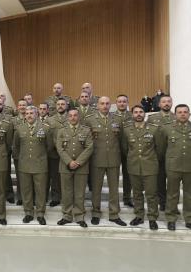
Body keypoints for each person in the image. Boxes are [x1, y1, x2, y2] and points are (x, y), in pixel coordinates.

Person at [158, 104, 191, 232]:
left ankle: (190, 220)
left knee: (189, 195)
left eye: (185, 112)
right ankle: (171, 219)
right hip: (173, 166)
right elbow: (161, 148)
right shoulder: (166, 128)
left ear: (189, 114)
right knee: (172, 194)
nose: (182, 114)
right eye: (180, 112)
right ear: (175, 114)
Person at [83, 97, 126, 226]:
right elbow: (86, 140)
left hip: (113, 158)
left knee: (114, 189)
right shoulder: (90, 119)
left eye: (107, 103)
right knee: (96, 189)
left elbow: (122, 139)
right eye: (102, 103)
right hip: (96, 158)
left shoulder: (117, 119)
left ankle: (114, 214)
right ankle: (96, 213)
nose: (105, 106)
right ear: (97, 106)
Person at [121, 105, 160, 230]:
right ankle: (139, 215)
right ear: (132, 114)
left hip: (150, 166)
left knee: (151, 194)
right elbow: (125, 148)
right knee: (137, 193)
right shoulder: (126, 129)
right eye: (136, 112)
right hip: (134, 166)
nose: (138, 114)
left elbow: (160, 148)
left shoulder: (154, 129)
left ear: (145, 114)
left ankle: (152, 218)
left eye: (141, 112)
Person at [13, 106, 53, 225]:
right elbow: (16, 146)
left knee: (40, 191)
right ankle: (28, 213)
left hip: (40, 164)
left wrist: (41, 156)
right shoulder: (19, 129)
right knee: (26, 190)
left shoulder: (45, 128)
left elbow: (49, 146)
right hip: (24, 164)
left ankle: (40, 213)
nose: (29, 115)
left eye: (32, 113)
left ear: (36, 114)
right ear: (24, 115)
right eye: (27, 113)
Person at [55, 108, 93, 227]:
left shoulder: (86, 131)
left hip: (81, 166)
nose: (72, 117)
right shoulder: (61, 131)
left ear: (79, 117)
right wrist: (69, 161)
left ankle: (79, 216)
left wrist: (78, 162)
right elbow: (59, 148)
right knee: (66, 192)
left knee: (79, 193)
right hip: (65, 166)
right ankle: (66, 215)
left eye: (75, 115)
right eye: (70, 115)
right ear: (67, 117)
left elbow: (89, 147)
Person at [147, 94, 175, 210]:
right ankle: (162, 202)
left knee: (173, 182)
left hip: (173, 155)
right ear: (159, 104)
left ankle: (172, 204)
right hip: (157, 154)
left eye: (169, 101)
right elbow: (148, 136)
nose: (166, 103)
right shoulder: (152, 118)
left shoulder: (177, 117)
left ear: (172, 103)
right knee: (160, 180)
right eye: (164, 102)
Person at [46, 98, 68, 207]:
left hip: (68, 153)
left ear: (66, 105)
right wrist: (55, 147)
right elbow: (48, 136)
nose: (60, 106)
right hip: (53, 152)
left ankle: (66, 197)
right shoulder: (50, 120)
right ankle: (55, 197)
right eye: (58, 104)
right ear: (55, 106)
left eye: (62, 104)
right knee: (55, 177)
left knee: (67, 176)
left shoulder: (72, 117)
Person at [114, 94, 133, 207]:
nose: (122, 103)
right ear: (116, 103)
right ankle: (114, 198)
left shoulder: (132, 116)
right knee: (114, 177)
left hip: (129, 151)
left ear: (127, 103)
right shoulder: (111, 116)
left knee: (128, 176)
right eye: (119, 101)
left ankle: (127, 198)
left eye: (124, 101)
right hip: (114, 151)